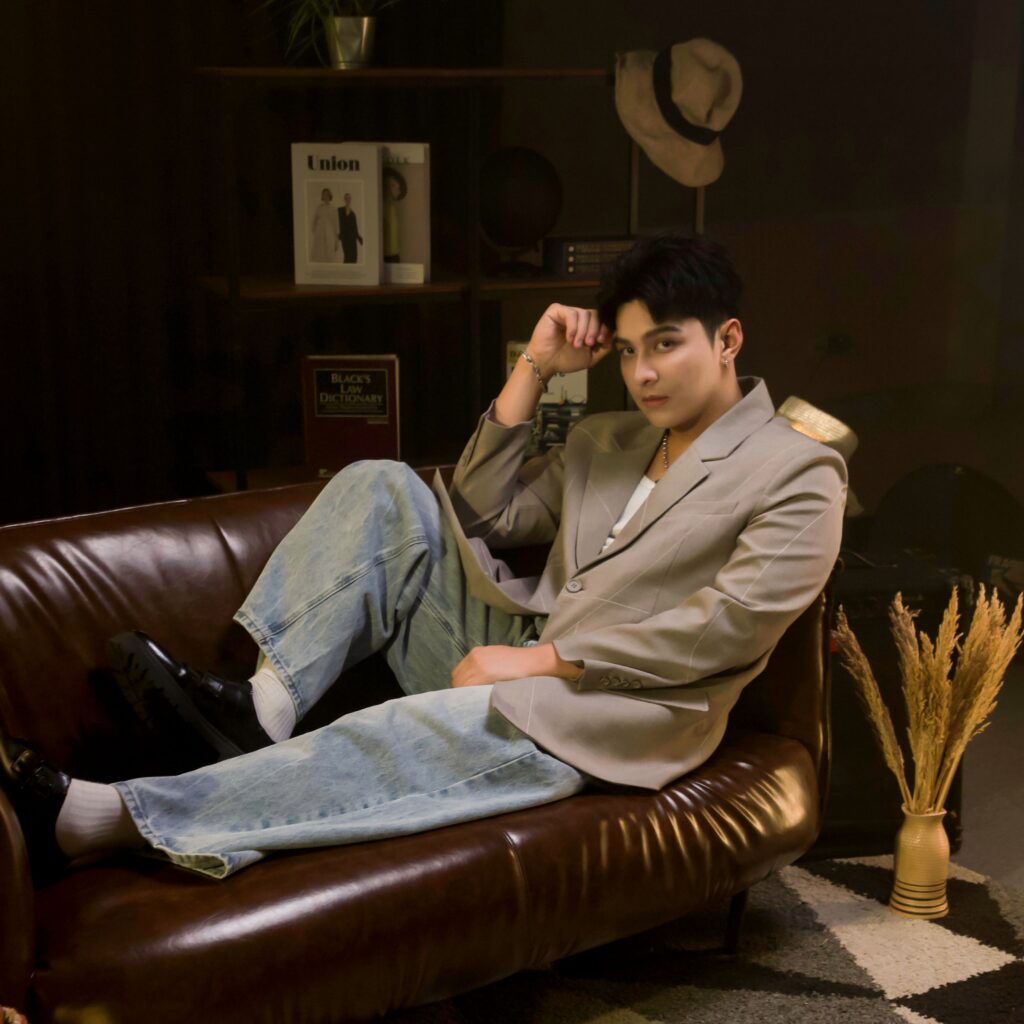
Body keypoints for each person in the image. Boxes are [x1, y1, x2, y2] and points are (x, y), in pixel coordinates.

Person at [1, 233, 847, 882]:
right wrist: (537, 368)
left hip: (611, 711)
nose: (642, 373)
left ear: (728, 339)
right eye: (627, 351)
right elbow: (480, 508)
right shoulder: (610, 439)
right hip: (512, 647)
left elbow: (728, 626)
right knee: (382, 484)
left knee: (392, 732)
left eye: (664, 345)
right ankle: (262, 709)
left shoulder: (798, 471)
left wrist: (546, 661)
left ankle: (99, 820)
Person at [382, 166, 408, 264]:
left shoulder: (392, 208)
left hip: (393, 255)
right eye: (389, 185)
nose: (391, 189)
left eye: (394, 185)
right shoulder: (383, 207)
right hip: (386, 256)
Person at [309, 187, 339, 262]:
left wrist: (336, 241)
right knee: (319, 255)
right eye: (324, 195)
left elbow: (336, 226)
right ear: (322, 196)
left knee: (329, 256)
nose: (325, 196)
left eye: (327, 195)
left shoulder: (333, 209)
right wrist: (316, 231)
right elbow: (314, 221)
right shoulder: (319, 208)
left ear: (330, 196)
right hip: (320, 235)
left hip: (330, 235)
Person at [337, 193, 362, 263]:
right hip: (345, 238)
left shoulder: (353, 214)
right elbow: (335, 221)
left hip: (352, 239)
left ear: (350, 200)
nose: (348, 200)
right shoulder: (340, 210)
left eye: (349, 198)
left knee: (354, 256)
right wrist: (337, 234)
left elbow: (355, 228)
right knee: (347, 256)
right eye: (346, 198)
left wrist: (360, 239)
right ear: (344, 200)